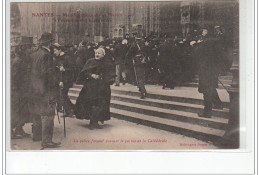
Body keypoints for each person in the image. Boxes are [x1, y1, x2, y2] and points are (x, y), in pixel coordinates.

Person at [28, 32, 61, 149]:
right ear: (49, 43)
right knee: (48, 114)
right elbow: (46, 73)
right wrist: (57, 78)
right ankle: (46, 140)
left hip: (34, 89)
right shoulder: (47, 55)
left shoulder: (33, 54)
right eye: (51, 42)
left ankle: (37, 136)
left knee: (37, 113)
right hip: (47, 90)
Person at [74, 48, 115, 130]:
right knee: (91, 103)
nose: (97, 55)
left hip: (102, 87)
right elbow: (84, 72)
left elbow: (111, 74)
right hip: (90, 87)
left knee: (101, 104)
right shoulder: (90, 61)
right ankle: (92, 122)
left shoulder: (107, 62)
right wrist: (91, 75)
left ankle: (96, 121)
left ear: (103, 55)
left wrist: (108, 78)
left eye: (99, 53)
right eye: (96, 53)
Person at [197, 29, 224, 118]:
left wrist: (195, 45)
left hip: (206, 72)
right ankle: (218, 104)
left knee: (206, 91)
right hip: (212, 71)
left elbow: (198, 55)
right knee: (211, 89)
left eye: (204, 31)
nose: (202, 33)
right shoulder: (215, 44)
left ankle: (207, 113)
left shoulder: (205, 44)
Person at [11, 36, 33, 139]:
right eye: (29, 48)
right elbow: (14, 77)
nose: (30, 50)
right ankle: (10, 132)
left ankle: (19, 129)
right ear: (24, 48)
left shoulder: (23, 59)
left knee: (23, 111)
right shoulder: (18, 61)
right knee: (15, 111)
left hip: (23, 90)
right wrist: (15, 90)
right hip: (17, 91)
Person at [53, 43, 74, 116]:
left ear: (59, 50)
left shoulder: (67, 57)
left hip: (66, 79)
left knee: (63, 95)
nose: (54, 52)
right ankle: (70, 110)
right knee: (63, 95)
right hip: (60, 79)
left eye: (55, 50)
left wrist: (65, 69)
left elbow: (73, 69)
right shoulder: (57, 58)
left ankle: (70, 110)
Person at [126, 32, 148, 99]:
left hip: (137, 61)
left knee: (138, 77)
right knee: (142, 76)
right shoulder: (144, 44)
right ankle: (142, 88)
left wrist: (131, 58)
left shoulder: (134, 44)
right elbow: (147, 52)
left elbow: (128, 54)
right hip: (143, 61)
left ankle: (142, 91)